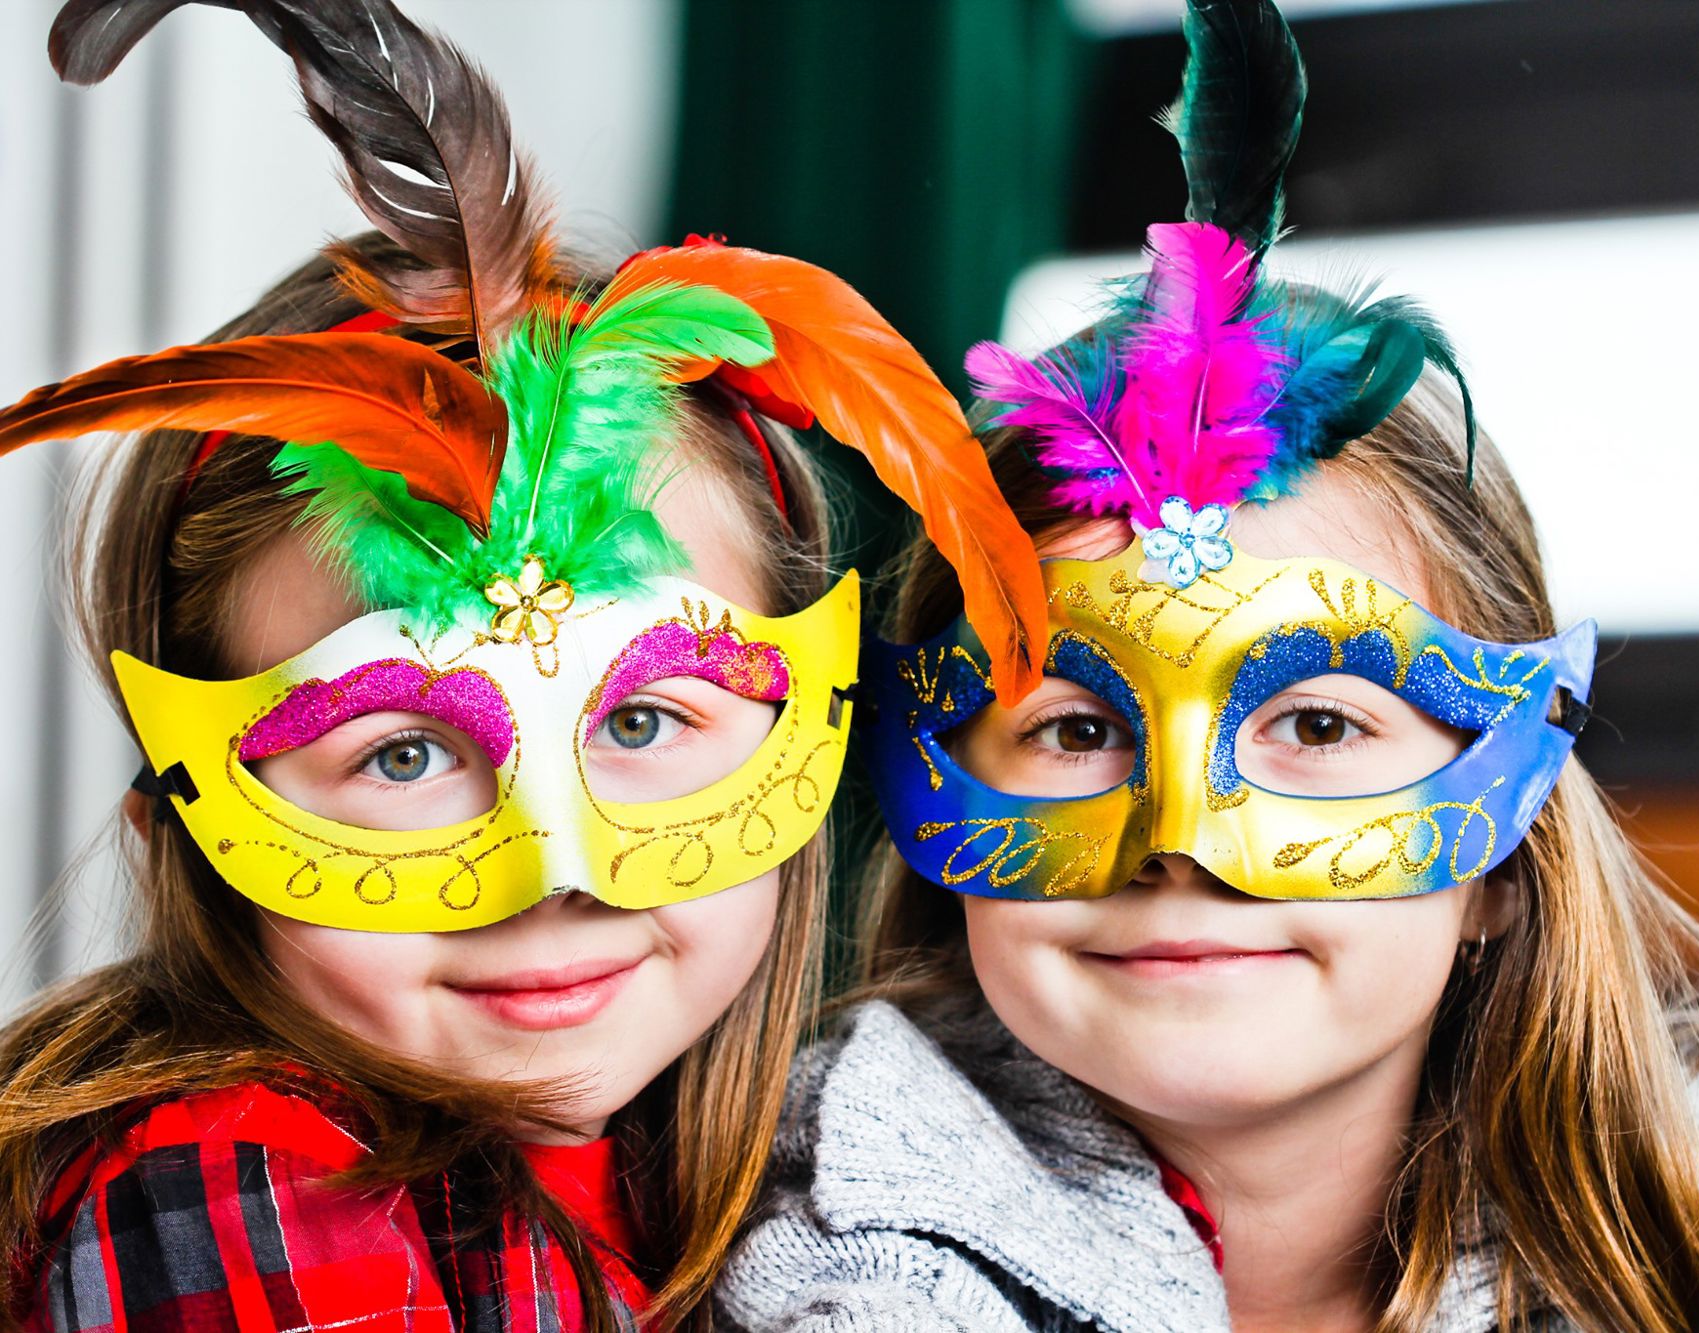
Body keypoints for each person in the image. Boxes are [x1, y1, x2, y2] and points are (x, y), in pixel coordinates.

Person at [717, 3, 1699, 1330]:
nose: (1184, 840)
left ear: (1505, 863)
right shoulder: (812, 1273)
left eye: (1321, 725)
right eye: (1070, 729)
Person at [0, 2, 1044, 1330]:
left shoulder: (780, 1175)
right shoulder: (229, 1183)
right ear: (186, 828)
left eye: (649, 717)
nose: (560, 871)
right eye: (403, 751)